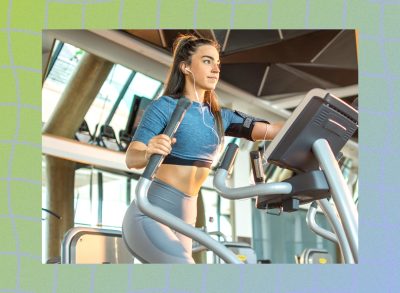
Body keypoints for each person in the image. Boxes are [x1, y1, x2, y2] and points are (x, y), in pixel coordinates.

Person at [122, 34, 283, 264]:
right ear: (186, 67)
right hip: (150, 212)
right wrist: (148, 151)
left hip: (186, 217)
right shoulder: (164, 107)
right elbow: (131, 158)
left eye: (218, 63)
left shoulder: (222, 116)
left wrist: (314, 122)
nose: (216, 69)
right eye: (207, 61)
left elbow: (273, 129)